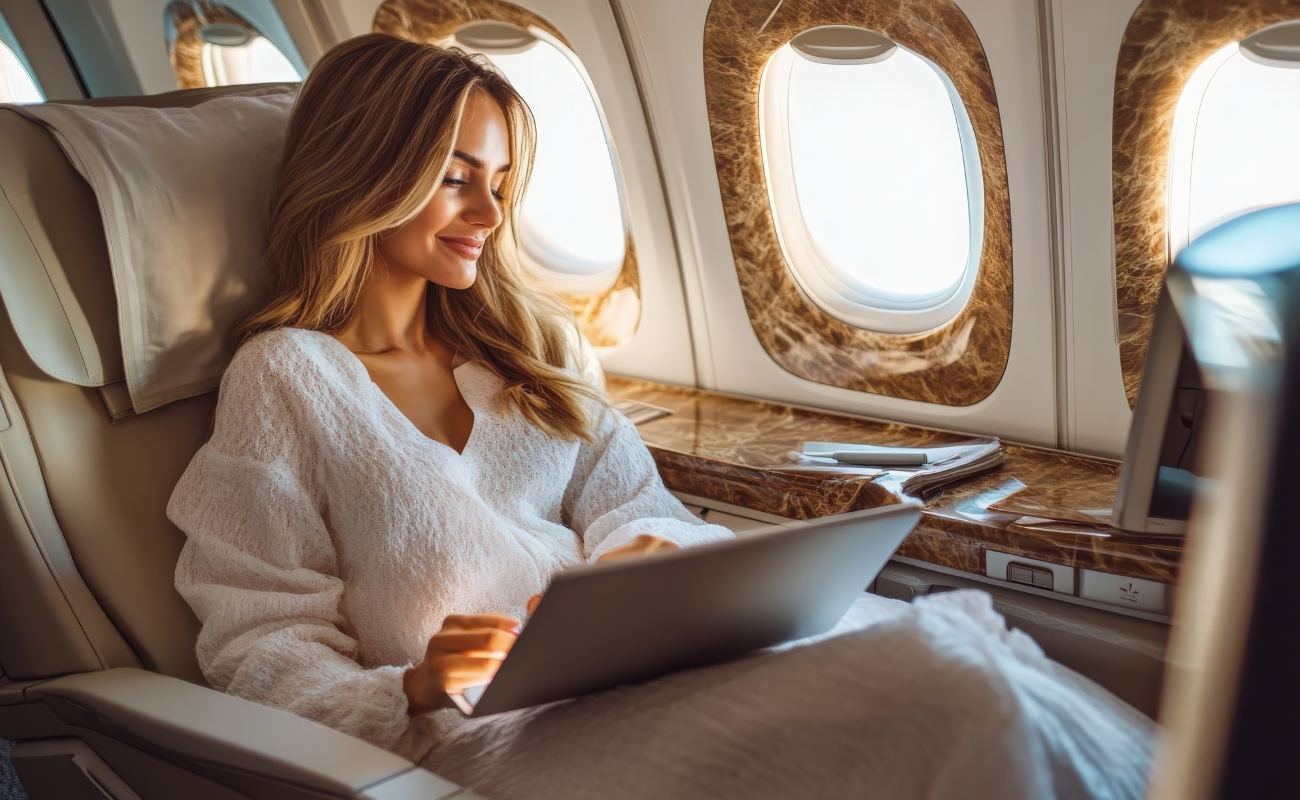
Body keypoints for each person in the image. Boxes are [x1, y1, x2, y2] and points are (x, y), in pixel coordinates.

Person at [171, 33, 1154, 799]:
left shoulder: (533, 348)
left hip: (625, 675)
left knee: (971, 651)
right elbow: (258, 647)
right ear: (363, 170)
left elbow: (637, 507)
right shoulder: (288, 377)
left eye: (500, 183)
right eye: (455, 177)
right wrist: (414, 685)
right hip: (489, 738)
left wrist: (642, 565)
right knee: (944, 689)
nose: (487, 212)